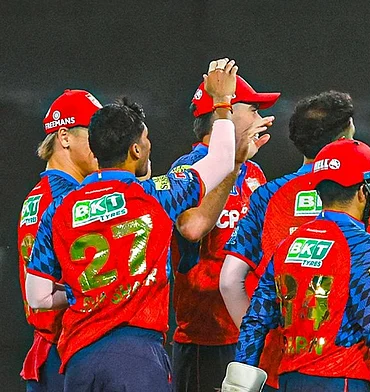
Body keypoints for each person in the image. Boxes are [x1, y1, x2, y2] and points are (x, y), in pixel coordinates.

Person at [24, 58, 254, 391]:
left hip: (78, 357)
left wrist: (86, 291)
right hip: (136, 354)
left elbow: (39, 297)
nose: (149, 145)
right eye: (145, 139)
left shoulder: (59, 207)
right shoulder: (155, 194)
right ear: (134, 149)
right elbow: (220, 162)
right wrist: (221, 103)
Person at [220, 91, 370, 390]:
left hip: (282, 366)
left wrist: (266, 352)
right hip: (349, 370)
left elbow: (230, 282)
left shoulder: (269, 201)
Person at [170, 74, 279, 392]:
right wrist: (232, 160)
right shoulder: (188, 171)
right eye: (254, 109)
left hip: (248, 333)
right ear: (226, 112)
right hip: (206, 339)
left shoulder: (253, 171)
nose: (261, 118)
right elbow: (191, 229)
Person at [18, 89, 102, 391]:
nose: (103, 142)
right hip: (65, 349)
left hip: (47, 349)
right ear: (64, 136)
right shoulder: (69, 200)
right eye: (94, 132)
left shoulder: (38, 195)